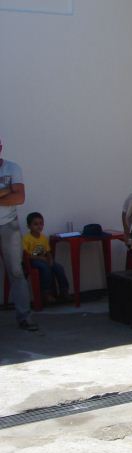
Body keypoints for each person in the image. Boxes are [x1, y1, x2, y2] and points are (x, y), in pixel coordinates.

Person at [0, 138, 35, 330]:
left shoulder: (12, 168)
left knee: (15, 271)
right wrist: (5, 191)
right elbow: (13, 193)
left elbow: (20, 197)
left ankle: (25, 317)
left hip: (8, 225)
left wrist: (12, 192)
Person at [23, 212, 69, 302]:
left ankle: (64, 291)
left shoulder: (43, 238)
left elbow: (48, 251)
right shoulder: (26, 238)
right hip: (32, 261)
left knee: (59, 267)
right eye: (35, 224)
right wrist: (40, 258)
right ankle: (46, 293)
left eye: (41, 224)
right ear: (29, 226)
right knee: (45, 268)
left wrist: (51, 260)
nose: (39, 226)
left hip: (44, 258)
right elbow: (27, 255)